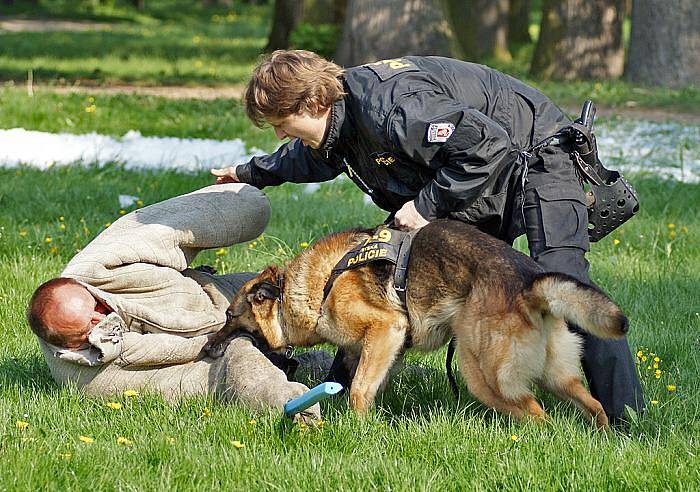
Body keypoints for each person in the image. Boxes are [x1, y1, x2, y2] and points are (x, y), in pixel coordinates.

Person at [210, 50, 644, 425]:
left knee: (561, 280)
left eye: (282, 123)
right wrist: (249, 173)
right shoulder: (342, 119)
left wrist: (425, 208)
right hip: (480, 177)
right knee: (375, 273)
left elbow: (487, 146)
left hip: (540, 158)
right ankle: (337, 399)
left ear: (315, 101)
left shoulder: (395, 109)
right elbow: (313, 159)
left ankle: (628, 422)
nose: (282, 135)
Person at [27, 183, 330, 419]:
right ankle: (308, 401)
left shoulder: (98, 266)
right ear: (68, 346)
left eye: (94, 305)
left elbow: (167, 232)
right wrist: (273, 387)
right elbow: (203, 381)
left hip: (214, 294)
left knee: (311, 294)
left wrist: (242, 196)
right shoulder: (86, 377)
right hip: (219, 350)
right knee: (245, 361)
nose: (100, 316)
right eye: (88, 325)